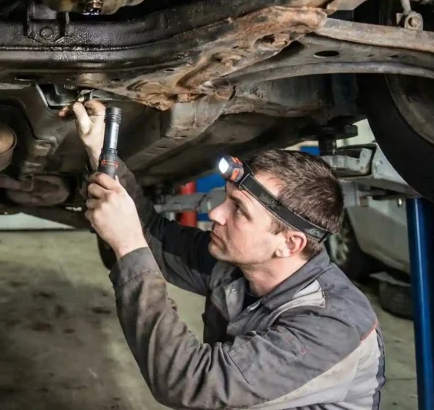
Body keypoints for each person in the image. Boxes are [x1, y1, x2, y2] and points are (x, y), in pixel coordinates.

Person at [69, 99, 385, 409]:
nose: (216, 213)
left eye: (239, 210)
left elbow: (190, 383)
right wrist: (102, 151)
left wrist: (128, 246)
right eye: (227, 199)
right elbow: (157, 236)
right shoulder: (237, 266)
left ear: (290, 243)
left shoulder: (331, 326)